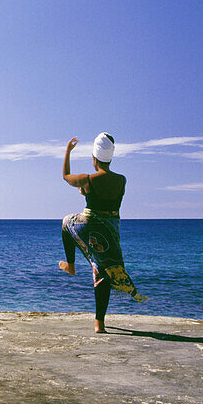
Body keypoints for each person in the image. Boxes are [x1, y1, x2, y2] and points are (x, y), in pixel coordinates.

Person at [59, 132, 146, 333]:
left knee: (66, 221)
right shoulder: (122, 180)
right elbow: (107, 199)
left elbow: (66, 176)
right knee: (103, 270)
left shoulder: (88, 179)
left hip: (90, 225)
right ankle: (99, 323)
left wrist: (67, 151)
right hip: (111, 230)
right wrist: (87, 192)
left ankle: (71, 265)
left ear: (94, 158)